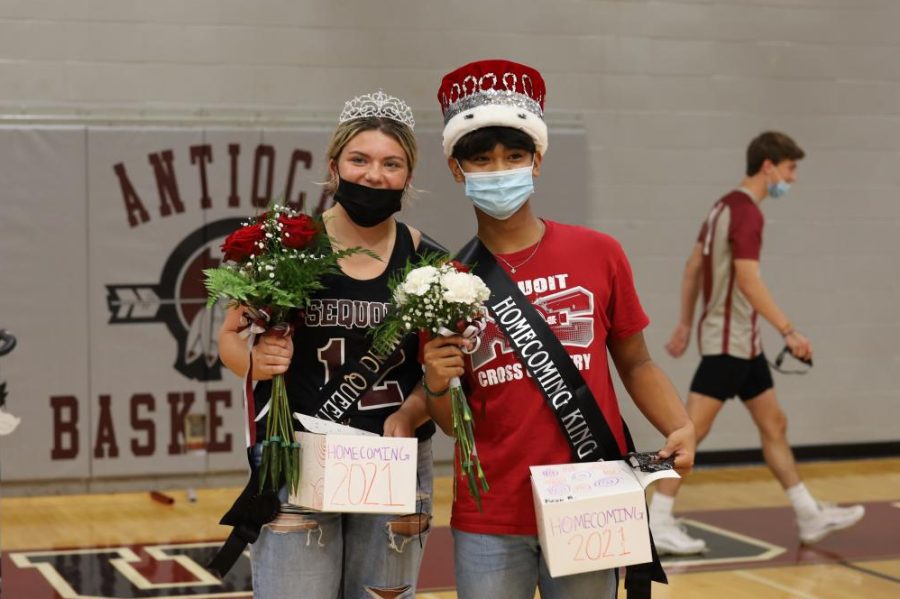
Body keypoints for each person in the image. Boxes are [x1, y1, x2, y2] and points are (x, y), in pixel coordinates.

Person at [422, 59, 696, 599]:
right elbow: (452, 425)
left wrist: (679, 424)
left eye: (514, 156)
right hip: (489, 512)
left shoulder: (599, 253)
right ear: (458, 170)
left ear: (537, 161)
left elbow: (636, 362)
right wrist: (434, 382)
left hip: (591, 497)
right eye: (481, 159)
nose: (499, 169)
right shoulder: (441, 284)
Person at [217, 90, 437, 599]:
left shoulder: (428, 259)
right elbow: (228, 340)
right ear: (334, 165)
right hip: (297, 456)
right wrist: (253, 359)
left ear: (408, 175)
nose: (373, 175)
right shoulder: (289, 246)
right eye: (359, 159)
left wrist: (413, 412)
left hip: (392, 465)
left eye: (391, 163)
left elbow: (441, 373)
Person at [649, 131, 865, 555]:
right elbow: (747, 279)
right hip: (728, 345)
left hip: (744, 347)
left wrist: (684, 322)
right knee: (689, 433)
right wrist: (788, 330)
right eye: (791, 168)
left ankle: (808, 515)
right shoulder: (748, 213)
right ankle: (656, 521)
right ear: (769, 166)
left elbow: (694, 265)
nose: (793, 178)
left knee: (774, 425)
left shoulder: (721, 206)